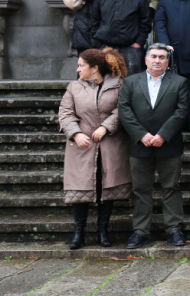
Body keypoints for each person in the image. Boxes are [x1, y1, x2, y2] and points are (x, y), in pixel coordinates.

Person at [117, 44, 190, 249]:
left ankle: (174, 228)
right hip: (139, 145)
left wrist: (163, 135)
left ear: (167, 61)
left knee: (171, 187)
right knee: (141, 189)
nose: (158, 60)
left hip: (169, 144)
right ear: (146, 60)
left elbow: (182, 110)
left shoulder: (180, 82)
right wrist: (142, 135)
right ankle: (141, 231)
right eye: (154, 56)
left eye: (162, 57)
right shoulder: (131, 82)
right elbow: (124, 110)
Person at [58, 48, 131, 250]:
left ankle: (102, 231)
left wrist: (105, 127)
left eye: (81, 65)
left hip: (110, 144)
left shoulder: (118, 85)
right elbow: (65, 113)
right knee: (80, 188)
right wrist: (75, 133)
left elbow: (122, 109)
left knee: (105, 187)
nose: (78, 69)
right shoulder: (74, 87)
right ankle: (79, 233)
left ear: (95, 68)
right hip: (82, 146)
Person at [92, 0, 153, 75]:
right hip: (106, 48)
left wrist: (139, 42)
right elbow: (94, 21)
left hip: (132, 48)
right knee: (107, 81)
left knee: (132, 82)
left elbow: (146, 20)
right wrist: (99, 44)